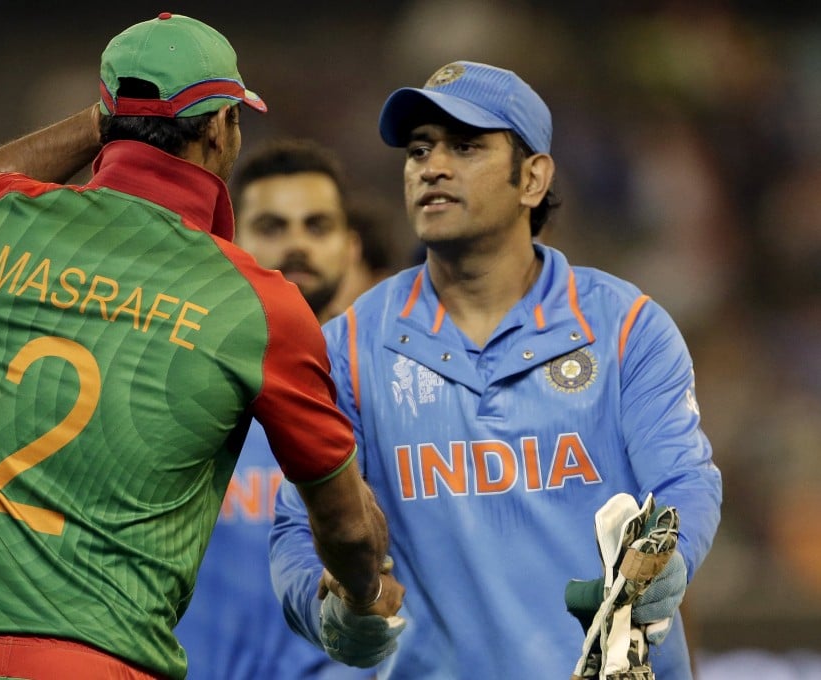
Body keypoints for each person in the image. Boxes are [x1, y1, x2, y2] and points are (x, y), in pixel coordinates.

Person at [0, 13, 400, 680]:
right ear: (219, 128)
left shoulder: (3, 225)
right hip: (98, 659)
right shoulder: (258, 303)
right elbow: (346, 528)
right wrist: (364, 593)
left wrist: (108, 118)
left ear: (105, 117)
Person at [269, 61, 722, 678]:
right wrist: (334, 612)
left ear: (532, 178)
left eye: (465, 146)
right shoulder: (349, 346)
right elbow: (297, 528)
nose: (432, 166)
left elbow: (684, 483)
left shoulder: (625, 327)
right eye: (419, 149)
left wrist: (667, 565)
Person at [174, 138, 382, 679]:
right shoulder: (171, 392)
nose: (296, 245)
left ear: (351, 249)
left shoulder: (391, 402)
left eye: (317, 226)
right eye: (272, 227)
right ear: (228, 242)